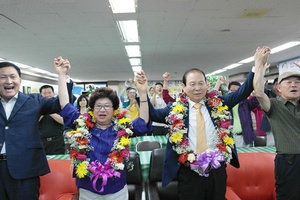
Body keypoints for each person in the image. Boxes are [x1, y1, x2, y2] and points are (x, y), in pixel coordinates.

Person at [141, 47, 263, 200]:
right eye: (192, 84)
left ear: (206, 84)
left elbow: (242, 92)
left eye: (201, 83)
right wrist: (142, 92)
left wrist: (256, 66)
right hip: (189, 170)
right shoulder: (174, 110)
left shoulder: (218, 104)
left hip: (216, 168)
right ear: (184, 88)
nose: (197, 88)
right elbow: (151, 114)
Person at [56, 58, 151, 199]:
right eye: (98, 106)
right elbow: (64, 103)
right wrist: (61, 75)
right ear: (92, 109)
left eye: (107, 106)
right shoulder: (83, 125)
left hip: (116, 190)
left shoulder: (122, 128)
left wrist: (142, 93)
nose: (102, 109)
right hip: (88, 190)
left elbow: (143, 121)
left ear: (114, 110)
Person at [0, 59, 72, 199]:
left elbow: (61, 103)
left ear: (20, 80)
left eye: (12, 76)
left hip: (25, 168)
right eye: (3, 77)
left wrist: (62, 76)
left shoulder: (34, 101)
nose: (8, 81)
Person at [253, 47, 300, 199]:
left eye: (297, 82)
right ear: (278, 88)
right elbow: (259, 93)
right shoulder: (274, 105)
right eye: (289, 82)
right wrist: (259, 65)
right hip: (288, 162)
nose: (294, 85)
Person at [227, 81, 259, 147]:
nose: (234, 93)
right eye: (232, 90)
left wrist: (256, 94)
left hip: (245, 137)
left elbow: (255, 102)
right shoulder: (224, 104)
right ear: (228, 91)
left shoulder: (245, 103)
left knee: (247, 156)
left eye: (237, 91)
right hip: (230, 138)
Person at [39, 85, 65, 155]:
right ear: (40, 95)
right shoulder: (36, 107)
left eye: (49, 92)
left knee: (59, 164)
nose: (47, 95)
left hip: (57, 141)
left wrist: (49, 110)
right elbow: (33, 122)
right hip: (41, 142)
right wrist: (43, 110)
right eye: (44, 93)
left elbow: (63, 121)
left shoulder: (59, 106)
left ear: (53, 94)